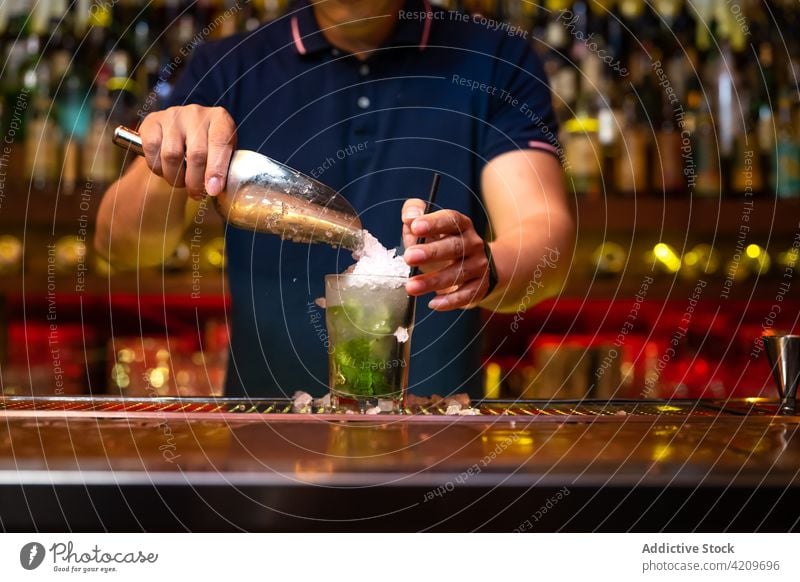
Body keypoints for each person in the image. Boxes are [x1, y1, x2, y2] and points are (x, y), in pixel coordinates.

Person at [95, 0, 574, 399]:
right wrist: (170, 159)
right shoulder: (233, 65)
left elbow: (545, 232)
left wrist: (485, 267)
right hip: (261, 448)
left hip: (439, 445)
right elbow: (119, 246)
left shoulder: (494, 59)